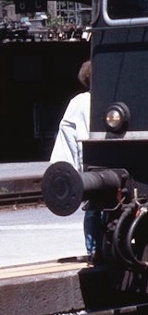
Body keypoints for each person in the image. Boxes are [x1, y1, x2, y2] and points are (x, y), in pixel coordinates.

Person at [50, 60, 102, 257]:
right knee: (102, 208)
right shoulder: (100, 101)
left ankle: (93, 249)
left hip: (88, 163)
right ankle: (101, 248)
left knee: (93, 209)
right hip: (104, 161)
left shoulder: (77, 102)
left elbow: (67, 134)